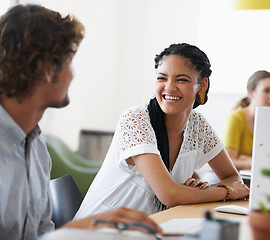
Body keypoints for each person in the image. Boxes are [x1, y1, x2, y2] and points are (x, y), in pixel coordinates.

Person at [0, 4, 161, 240]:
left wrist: (87, 230)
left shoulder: (37, 148)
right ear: (48, 69)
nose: (72, 75)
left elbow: (42, 233)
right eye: (69, 62)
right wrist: (81, 229)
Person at [74, 43, 250, 219]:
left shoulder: (198, 125)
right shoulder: (135, 119)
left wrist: (196, 192)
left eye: (181, 79)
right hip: (99, 229)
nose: (169, 87)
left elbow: (233, 177)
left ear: (202, 85)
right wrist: (225, 192)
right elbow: (169, 195)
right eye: (162, 78)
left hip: (148, 228)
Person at [222, 70, 270, 170]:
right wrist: (254, 162)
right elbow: (228, 161)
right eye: (267, 91)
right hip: (225, 175)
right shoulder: (236, 118)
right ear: (251, 93)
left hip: (254, 175)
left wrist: (247, 160)